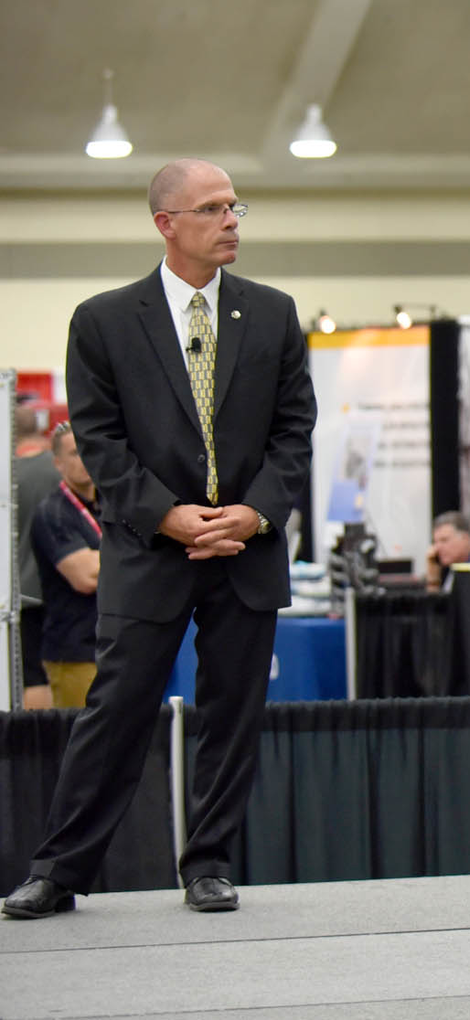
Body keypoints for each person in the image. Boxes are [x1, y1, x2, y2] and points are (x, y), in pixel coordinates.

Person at [3, 158, 316, 919]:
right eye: (211, 208)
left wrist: (253, 513)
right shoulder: (105, 320)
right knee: (118, 709)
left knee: (231, 712)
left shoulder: (273, 313)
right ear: (165, 224)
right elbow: (102, 443)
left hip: (246, 549)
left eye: (235, 206)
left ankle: (208, 864)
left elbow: (295, 432)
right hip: (149, 548)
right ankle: (60, 870)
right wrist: (169, 516)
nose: (231, 220)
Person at [28, 423, 103, 709]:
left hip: (113, 645)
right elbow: (84, 577)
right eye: (74, 453)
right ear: (58, 463)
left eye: (88, 449)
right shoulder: (53, 512)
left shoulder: (109, 505)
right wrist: (131, 559)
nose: (84, 458)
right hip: (74, 650)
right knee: (81, 737)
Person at [12, 401, 60, 708]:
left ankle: (39, 749)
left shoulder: (8, 476)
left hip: (23, 591)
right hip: (68, 588)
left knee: (33, 675)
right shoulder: (60, 468)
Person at [426, 510, 470, 590]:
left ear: (465, 539)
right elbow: (437, 602)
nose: (437, 548)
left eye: (444, 540)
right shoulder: (449, 569)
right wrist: (433, 578)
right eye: (435, 542)